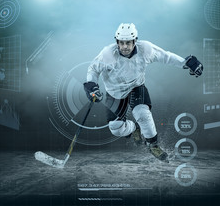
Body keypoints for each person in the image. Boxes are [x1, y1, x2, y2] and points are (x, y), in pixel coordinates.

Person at [83, 23, 203, 162]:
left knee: (143, 114)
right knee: (115, 128)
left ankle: (153, 145)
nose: (125, 47)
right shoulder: (107, 54)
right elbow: (93, 69)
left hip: (136, 86)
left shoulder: (145, 49)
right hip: (115, 92)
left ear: (135, 41)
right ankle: (134, 128)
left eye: (128, 42)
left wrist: (185, 63)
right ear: (117, 41)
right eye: (121, 43)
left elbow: (166, 56)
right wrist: (92, 86)